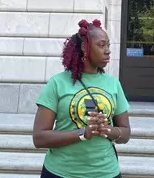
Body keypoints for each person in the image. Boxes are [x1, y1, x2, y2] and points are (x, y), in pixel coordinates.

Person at [32, 19, 131, 178]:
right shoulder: (57, 83)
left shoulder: (113, 84)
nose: (108, 51)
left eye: (108, 45)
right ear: (85, 47)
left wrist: (107, 130)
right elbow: (39, 138)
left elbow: (125, 133)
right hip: (61, 173)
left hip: (106, 173)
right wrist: (82, 133)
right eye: (101, 45)